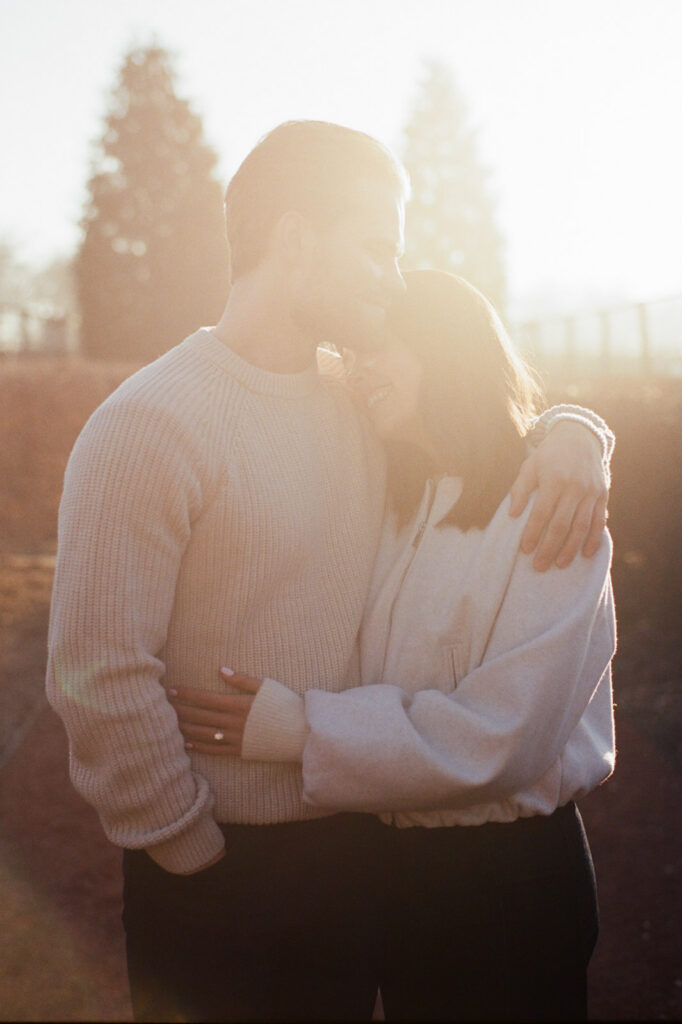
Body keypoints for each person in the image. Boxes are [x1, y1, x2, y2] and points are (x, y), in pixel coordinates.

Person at [46, 121, 613, 1023]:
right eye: (376, 249)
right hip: (218, 875)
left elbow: (474, 408)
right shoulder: (147, 423)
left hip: (361, 860)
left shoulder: (354, 407)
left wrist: (577, 433)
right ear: (297, 240)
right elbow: (98, 672)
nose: (391, 280)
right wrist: (190, 848)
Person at [172, 271, 616, 1021]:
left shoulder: (550, 509)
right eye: (351, 352)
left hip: (508, 887)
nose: (357, 369)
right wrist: (579, 423)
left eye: (379, 349)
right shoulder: (388, 496)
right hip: (394, 877)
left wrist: (299, 728)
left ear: (448, 352)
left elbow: (500, 738)